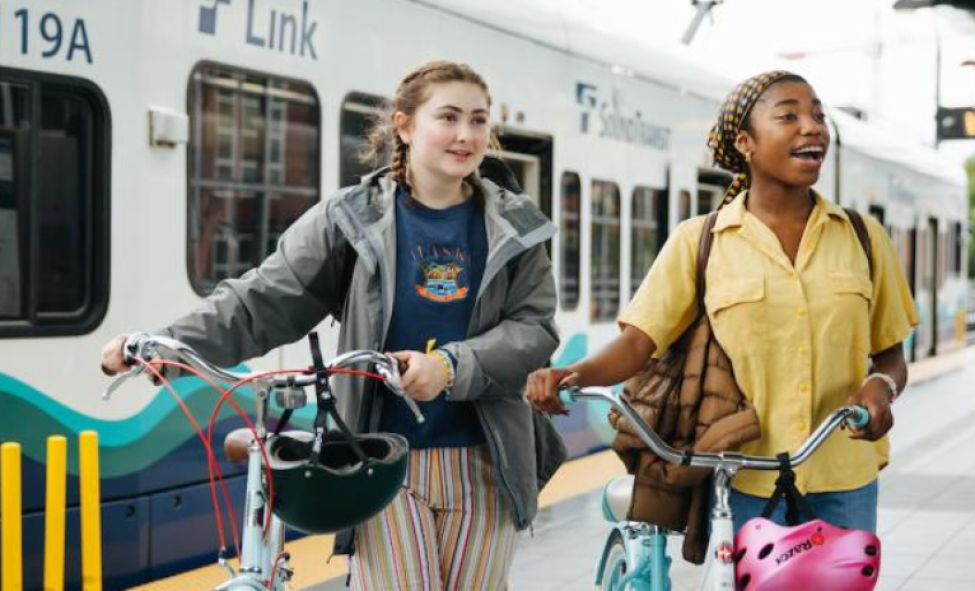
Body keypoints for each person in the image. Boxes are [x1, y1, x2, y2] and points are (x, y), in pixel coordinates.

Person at [101, 60, 559, 590]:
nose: (466, 134)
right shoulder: (350, 218)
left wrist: (452, 366)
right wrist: (170, 346)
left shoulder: (515, 225)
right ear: (405, 126)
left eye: (479, 121)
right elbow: (264, 299)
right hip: (376, 459)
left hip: (486, 460)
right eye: (449, 117)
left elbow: (534, 328)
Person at [526, 70, 918, 534]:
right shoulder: (701, 241)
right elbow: (636, 346)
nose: (812, 127)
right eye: (788, 116)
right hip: (745, 478)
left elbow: (890, 355)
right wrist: (569, 375)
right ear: (745, 143)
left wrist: (881, 388)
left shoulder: (863, 238)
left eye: (818, 116)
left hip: (845, 478)